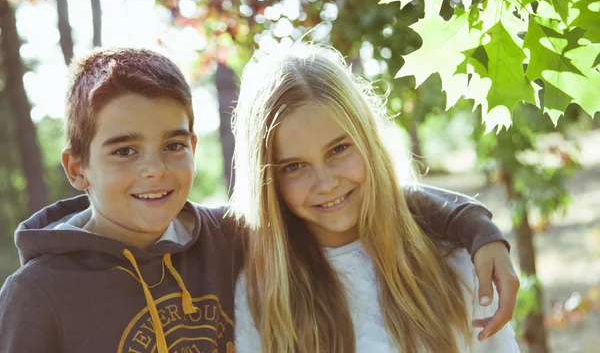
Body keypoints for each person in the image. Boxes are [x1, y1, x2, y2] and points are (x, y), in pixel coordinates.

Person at [0, 47, 515, 353]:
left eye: (172, 145)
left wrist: (478, 228)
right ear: (76, 168)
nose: (153, 169)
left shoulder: (215, 242)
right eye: (124, 150)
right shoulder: (37, 293)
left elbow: (388, 201)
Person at [231, 43, 520, 352]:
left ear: (367, 139)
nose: (326, 183)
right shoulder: (260, 298)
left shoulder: (455, 262)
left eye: (339, 149)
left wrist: (474, 224)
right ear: (267, 181)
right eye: (294, 166)